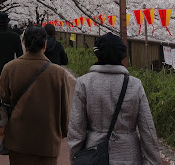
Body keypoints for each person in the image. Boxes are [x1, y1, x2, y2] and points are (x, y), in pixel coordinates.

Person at [67, 32, 160, 164]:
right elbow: (147, 129)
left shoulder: (85, 83)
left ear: (97, 55)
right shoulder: (135, 84)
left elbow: (76, 128)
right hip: (129, 156)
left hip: (95, 156)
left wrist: (75, 158)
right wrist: (152, 161)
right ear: (123, 56)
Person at [0, 25, 71, 164]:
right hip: (47, 138)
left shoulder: (9, 68)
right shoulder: (58, 73)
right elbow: (64, 106)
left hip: (18, 138)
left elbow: (3, 97)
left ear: (24, 43)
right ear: (45, 44)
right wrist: (63, 130)